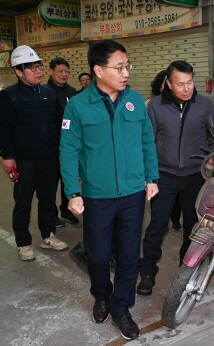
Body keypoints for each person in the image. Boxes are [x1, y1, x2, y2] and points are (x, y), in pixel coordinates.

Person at [59, 40, 159, 340]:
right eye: (119, 67)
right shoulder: (77, 106)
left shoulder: (135, 101)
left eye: (128, 66)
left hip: (132, 194)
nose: (125, 72)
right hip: (97, 196)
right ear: (98, 70)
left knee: (130, 256)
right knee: (99, 256)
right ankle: (101, 295)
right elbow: (68, 150)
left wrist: (151, 177)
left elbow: (147, 142)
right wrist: (72, 193)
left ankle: (121, 307)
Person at [137, 60, 214, 296]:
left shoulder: (204, 105)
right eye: (180, 84)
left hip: (195, 176)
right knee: (157, 226)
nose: (187, 88)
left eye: (190, 82)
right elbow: (147, 142)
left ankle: (184, 273)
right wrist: (149, 176)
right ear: (168, 83)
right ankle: (147, 273)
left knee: (192, 228)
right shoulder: (155, 106)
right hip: (164, 176)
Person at [0, 45, 69, 261]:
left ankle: (48, 235)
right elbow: (4, 128)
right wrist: (8, 157)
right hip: (23, 160)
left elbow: (60, 123)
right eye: (31, 67)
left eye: (38, 66)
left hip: (49, 158)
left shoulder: (49, 94)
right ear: (19, 72)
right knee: (23, 202)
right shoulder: (8, 96)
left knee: (48, 199)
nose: (38, 71)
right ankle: (23, 242)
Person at [146, 70, 183, 231]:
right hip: (158, 160)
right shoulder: (150, 105)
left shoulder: (181, 105)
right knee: (158, 194)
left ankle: (175, 219)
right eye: (165, 84)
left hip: (176, 160)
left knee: (177, 197)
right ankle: (159, 222)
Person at [45, 57, 79, 227]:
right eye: (60, 71)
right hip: (51, 149)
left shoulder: (72, 92)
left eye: (66, 71)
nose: (64, 74)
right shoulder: (44, 92)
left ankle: (66, 210)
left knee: (68, 181)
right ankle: (52, 216)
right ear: (51, 72)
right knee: (50, 185)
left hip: (70, 148)